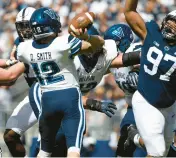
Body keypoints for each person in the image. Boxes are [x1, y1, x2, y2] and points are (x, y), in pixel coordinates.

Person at [27, 24, 141, 157]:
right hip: (46, 93)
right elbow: (65, 95)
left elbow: (129, 58)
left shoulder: (105, 58)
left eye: (93, 47)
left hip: (70, 99)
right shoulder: (71, 63)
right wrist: (95, 104)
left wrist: (137, 69)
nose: (91, 52)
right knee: (53, 139)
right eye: (87, 47)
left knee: (73, 137)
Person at [17, 7, 104, 157]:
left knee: (44, 151)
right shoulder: (64, 43)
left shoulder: (23, 48)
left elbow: (21, 54)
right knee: (74, 149)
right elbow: (97, 45)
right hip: (69, 98)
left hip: (46, 101)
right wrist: (86, 37)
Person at [124, 0, 176, 156]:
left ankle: (134, 137)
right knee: (157, 152)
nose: (170, 26)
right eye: (169, 22)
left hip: (169, 106)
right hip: (145, 100)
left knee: (164, 152)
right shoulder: (151, 33)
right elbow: (129, 12)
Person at [3, 7, 38, 157]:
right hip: (35, 93)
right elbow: (11, 66)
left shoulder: (46, 41)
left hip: (54, 93)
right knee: (10, 135)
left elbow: (11, 77)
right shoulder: (20, 43)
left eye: (27, 26)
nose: (24, 31)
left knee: (47, 147)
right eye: (21, 26)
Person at [104, 23, 141, 157]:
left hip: (151, 104)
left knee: (157, 148)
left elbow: (149, 60)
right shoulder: (112, 61)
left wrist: (138, 71)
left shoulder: (135, 49)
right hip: (133, 107)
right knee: (123, 150)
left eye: (112, 43)